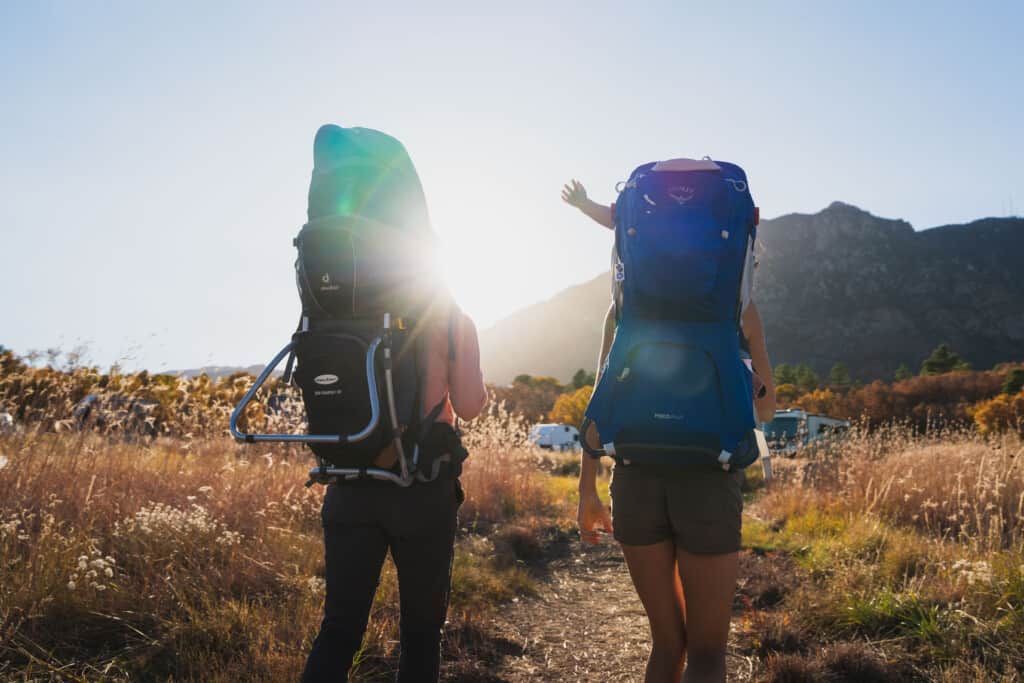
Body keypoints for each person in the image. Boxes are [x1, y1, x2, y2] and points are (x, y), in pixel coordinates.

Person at [563, 176, 776, 683]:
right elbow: (765, 414)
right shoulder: (739, 311)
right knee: (707, 653)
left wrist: (587, 492)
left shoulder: (623, 312)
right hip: (707, 480)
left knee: (667, 644)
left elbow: (600, 402)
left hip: (634, 482)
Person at [302, 125, 488, 683]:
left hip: (349, 483)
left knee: (338, 630)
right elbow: (473, 406)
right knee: (420, 634)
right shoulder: (449, 313)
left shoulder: (326, 309)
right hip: (420, 489)